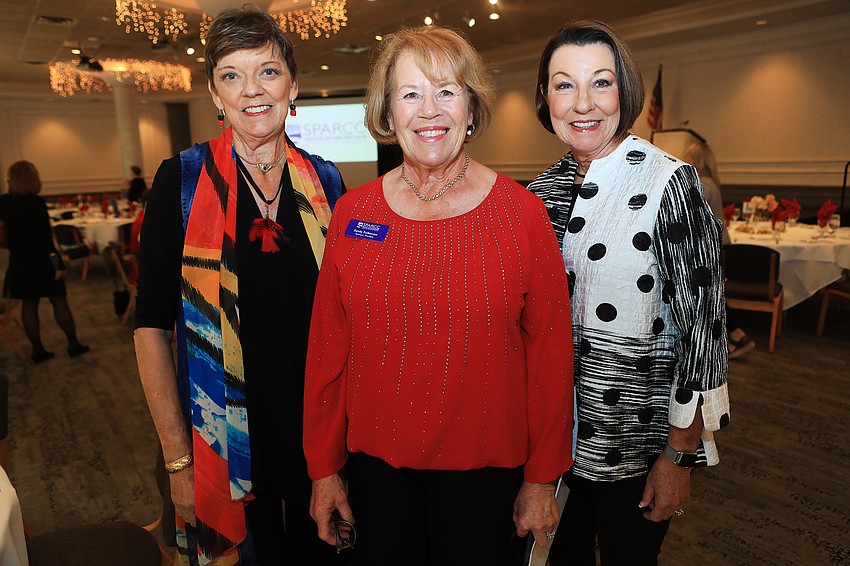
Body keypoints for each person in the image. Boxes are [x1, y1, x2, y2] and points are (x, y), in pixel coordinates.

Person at [304, 25, 574, 566]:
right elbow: (328, 352)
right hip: (377, 474)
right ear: (387, 114)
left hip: (485, 478)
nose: (429, 111)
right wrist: (324, 469)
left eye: (446, 92)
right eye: (410, 94)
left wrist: (543, 479)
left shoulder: (522, 215)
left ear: (471, 109)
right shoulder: (355, 216)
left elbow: (550, 357)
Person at [133, 5, 345, 565]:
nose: (252, 89)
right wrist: (179, 462)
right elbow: (151, 328)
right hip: (222, 438)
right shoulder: (180, 180)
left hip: (317, 437)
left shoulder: (325, 181)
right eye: (232, 74)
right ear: (214, 92)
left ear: (293, 84)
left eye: (268, 72)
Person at [527, 20, 729, 565]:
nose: (582, 102)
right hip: (553, 449)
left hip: (639, 450)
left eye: (601, 82)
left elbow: (704, 337)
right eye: (564, 84)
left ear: (626, 91)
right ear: (545, 98)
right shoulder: (535, 196)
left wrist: (678, 456)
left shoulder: (672, 185)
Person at [0, 161, 89, 363]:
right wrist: (57, 264)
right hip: (42, 262)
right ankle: (73, 344)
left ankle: (38, 350)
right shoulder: (36, 203)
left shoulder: (3, 203)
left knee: (29, 306)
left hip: (19, 262)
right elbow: (45, 240)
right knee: (59, 301)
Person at [683, 141, 755, 359]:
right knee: (712, 295)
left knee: (710, 296)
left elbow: (689, 214)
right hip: (718, 243)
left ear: (696, 160)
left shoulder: (702, 185)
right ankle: (735, 337)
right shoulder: (711, 182)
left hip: (710, 245)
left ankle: (737, 334)